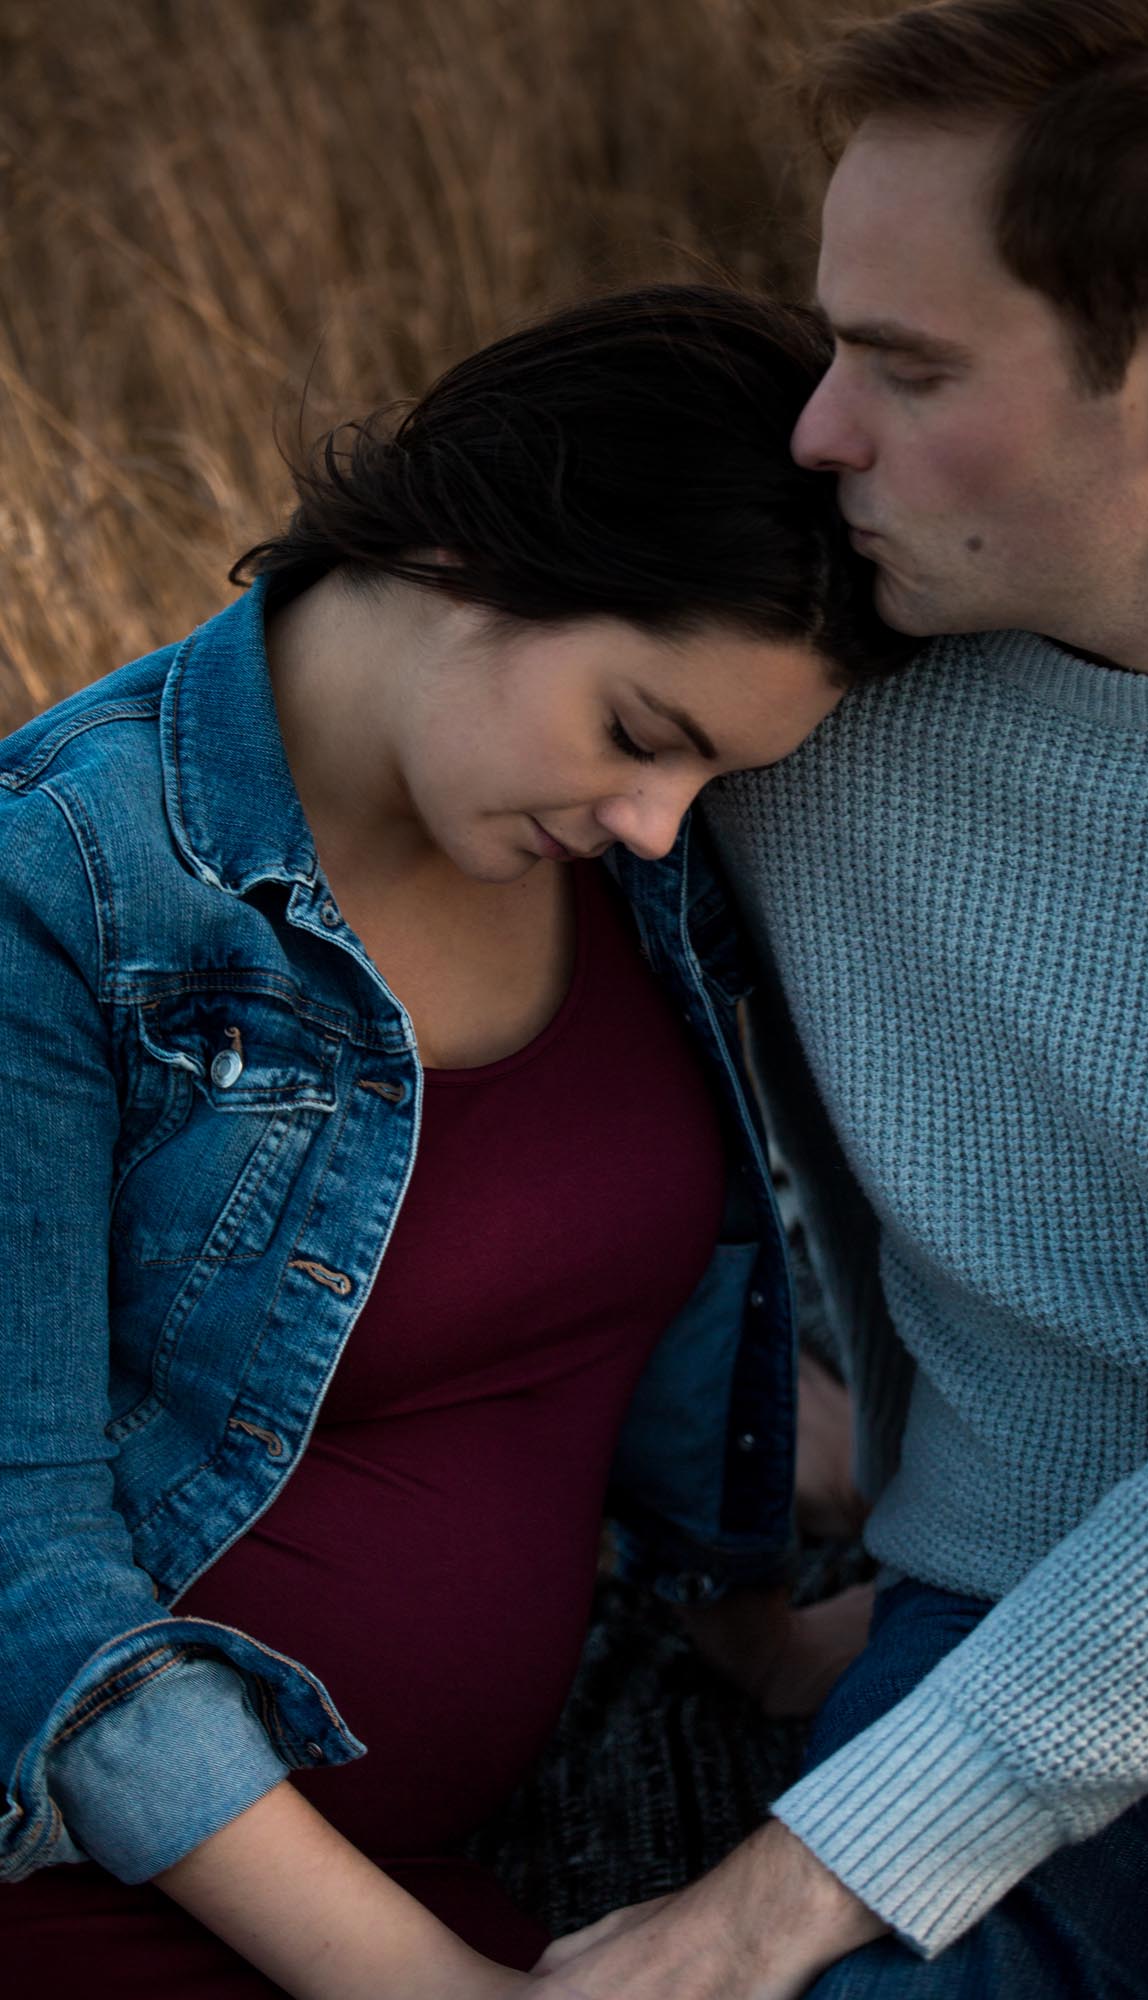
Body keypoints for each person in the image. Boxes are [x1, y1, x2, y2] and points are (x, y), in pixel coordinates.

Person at [533, 4, 1148, 1996]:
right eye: (831, 345)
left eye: (903, 366)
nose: (819, 430)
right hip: (986, 1632)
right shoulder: (791, 675)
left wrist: (778, 1886)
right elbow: (319, 692)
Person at [0, 283, 895, 1996]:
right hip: (115, 1882)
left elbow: (617, 1307)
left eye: (708, 780)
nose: (654, 823)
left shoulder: (616, 865)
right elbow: (17, 1551)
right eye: (644, 735)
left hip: (469, 1854)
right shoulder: (61, 886)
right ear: (473, 549)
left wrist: (762, 1631)